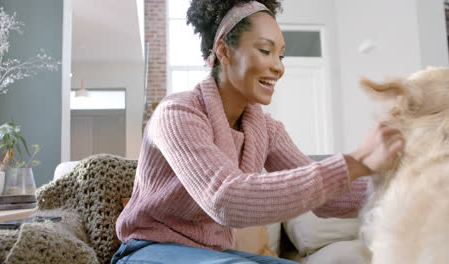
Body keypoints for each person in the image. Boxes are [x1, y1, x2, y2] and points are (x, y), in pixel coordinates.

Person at [111, 1, 405, 263]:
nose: (278, 67)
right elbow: (225, 199)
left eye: (281, 55)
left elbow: (330, 199)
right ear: (223, 51)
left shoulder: (265, 129)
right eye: (265, 51)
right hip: (147, 249)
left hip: (211, 254)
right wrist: (356, 161)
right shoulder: (177, 114)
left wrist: (408, 183)